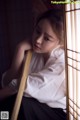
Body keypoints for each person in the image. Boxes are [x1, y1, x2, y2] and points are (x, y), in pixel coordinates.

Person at [0, 9, 66, 120]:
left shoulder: (62, 63)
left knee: (19, 103)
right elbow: (7, 82)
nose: (38, 40)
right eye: (38, 31)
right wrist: (20, 49)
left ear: (60, 42)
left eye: (47, 38)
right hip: (33, 105)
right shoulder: (35, 53)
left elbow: (22, 85)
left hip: (56, 113)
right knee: (9, 105)